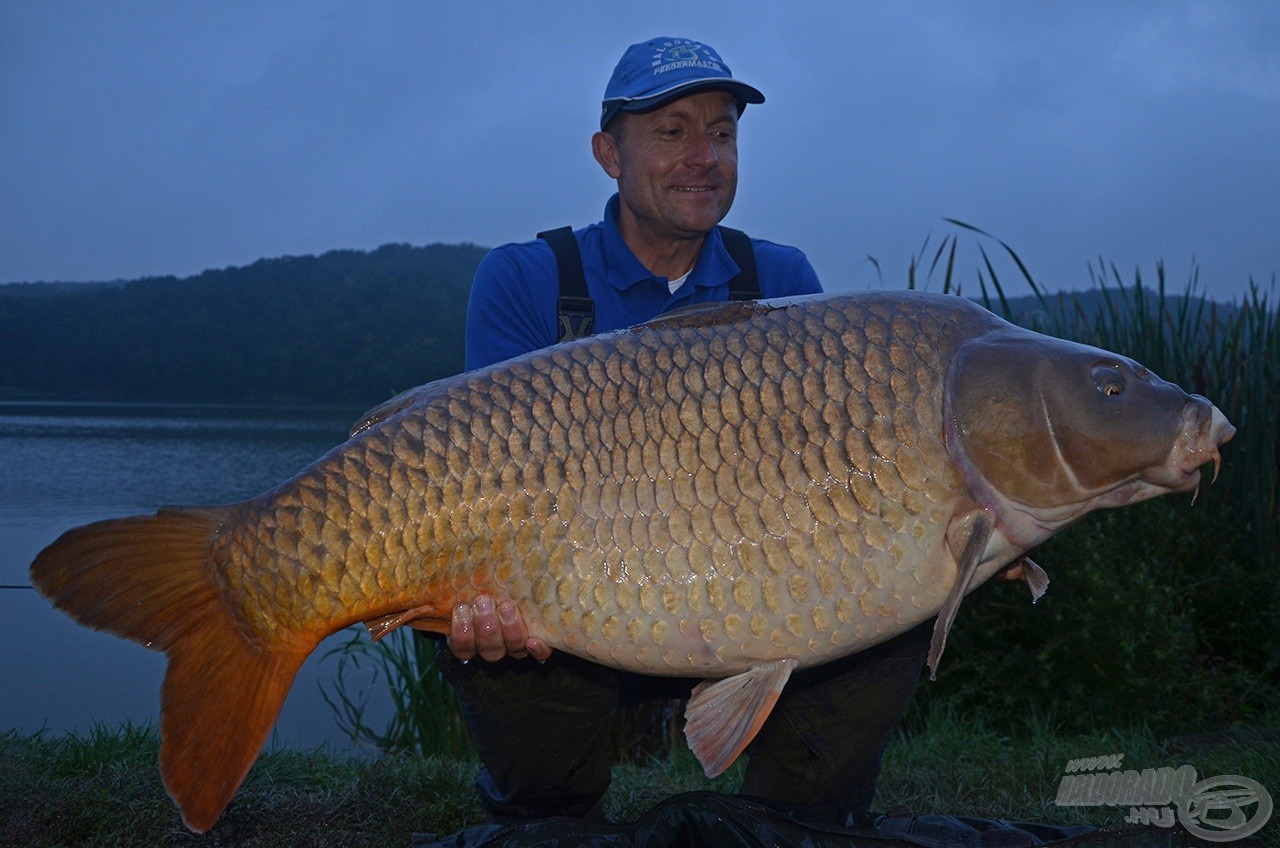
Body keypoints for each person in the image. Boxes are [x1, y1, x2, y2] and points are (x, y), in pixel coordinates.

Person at [436, 36, 933, 827]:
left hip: (754, 602)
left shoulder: (783, 283)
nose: (705, 156)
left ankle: (792, 822)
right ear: (609, 153)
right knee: (493, 661)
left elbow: (835, 478)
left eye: (724, 133)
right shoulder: (526, 280)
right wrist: (481, 596)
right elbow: (478, 479)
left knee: (894, 614)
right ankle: (542, 814)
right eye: (671, 132)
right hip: (577, 618)